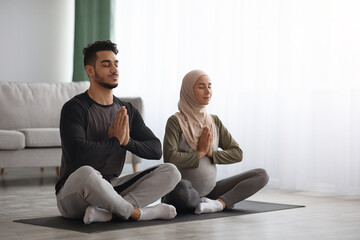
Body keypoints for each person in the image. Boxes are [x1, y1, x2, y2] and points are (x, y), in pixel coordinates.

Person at [55, 40, 181, 224]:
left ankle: (110, 213)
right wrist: (115, 141)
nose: (114, 69)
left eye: (116, 64)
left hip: (111, 188)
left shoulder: (126, 109)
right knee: (88, 173)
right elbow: (77, 152)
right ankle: (139, 214)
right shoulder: (75, 108)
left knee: (172, 171)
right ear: (90, 71)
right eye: (106, 64)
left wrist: (127, 142)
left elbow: (156, 150)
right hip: (75, 192)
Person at [161, 70, 269, 214]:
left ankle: (219, 204)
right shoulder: (175, 121)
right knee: (181, 190)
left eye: (210, 86)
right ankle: (203, 203)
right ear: (188, 90)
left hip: (211, 192)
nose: (208, 91)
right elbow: (170, 158)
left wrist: (211, 153)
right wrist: (199, 153)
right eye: (201, 87)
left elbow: (237, 153)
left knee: (261, 175)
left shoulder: (214, 121)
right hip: (183, 191)